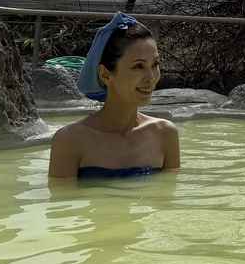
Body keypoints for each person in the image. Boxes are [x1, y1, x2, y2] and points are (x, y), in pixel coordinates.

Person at [48, 13, 180, 179]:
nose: (151, 77)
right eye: (138, 66)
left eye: (155, 64)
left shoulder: (165, 134)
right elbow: (61, 202)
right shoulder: (70, 140)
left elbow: (168, 199)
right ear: (105, 75)